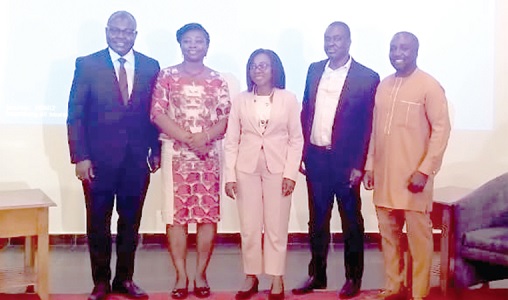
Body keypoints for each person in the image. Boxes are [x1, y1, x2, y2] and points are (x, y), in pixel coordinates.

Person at [67, 11, 160, 300]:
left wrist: (155, 151)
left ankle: (125, 279)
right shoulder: (87, 64)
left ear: (135, 34)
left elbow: (154, 114)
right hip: (97, 161)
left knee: (130, 222)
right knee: (98, 222)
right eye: (115, 30)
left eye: (127, 31)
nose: (121, 36)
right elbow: (75, 114)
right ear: (107, 31)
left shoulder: (150, 66)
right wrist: (80, 156)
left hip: (136, 160)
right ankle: (100, 282)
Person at [292, 21, 380, 299]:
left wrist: (360, 164)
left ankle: (353, 278)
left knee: (351, 222)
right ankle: (317, 275)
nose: (332, 43)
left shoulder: (367, 77)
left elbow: (368, 125)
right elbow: (307, 109)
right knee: (317, 221)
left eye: (338, 38)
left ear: (349, 42)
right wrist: (303, 151)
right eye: (328, 38)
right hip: (316, 158)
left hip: (346, 163)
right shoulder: (314, 69)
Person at [363, 32, 451, 300]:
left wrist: (425, 170)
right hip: (385, 177)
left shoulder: (429, 86)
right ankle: (394, 287)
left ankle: (419, 293)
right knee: (389, 237)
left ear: (416, 51)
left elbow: (441, 130)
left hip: (414, 179)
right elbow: (375, 131)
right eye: (393, 47)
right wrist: (369, 166)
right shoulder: (383, 86)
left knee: (419, 241)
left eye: (404, 47)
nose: (397, 52)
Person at [150, 23, 231, 299]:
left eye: (199, 41)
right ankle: (181, 276)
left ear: (207, 46)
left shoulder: (218, 79)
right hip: (176, 156)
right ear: (180, 45)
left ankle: (200, 274)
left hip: (208, 156)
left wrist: (204, 137)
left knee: (207, 217)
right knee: (177, 217)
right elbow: (157, 113)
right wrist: (188, 138)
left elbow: (225, 118)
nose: (193, 45)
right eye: (188, 41)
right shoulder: (167, 76)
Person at [224, 49, 304, 300]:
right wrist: (229, 175)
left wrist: (291, 173)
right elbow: (231, 140)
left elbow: (296, 139)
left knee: (276, 226)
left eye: (264, 66)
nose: (258, 70)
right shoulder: (240, 100)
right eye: (254, 66)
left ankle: (277, 278)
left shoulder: (288, 99)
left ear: (274, 69)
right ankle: (251, 276)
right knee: (249, 227)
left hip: (278, 169)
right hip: (245, 168)